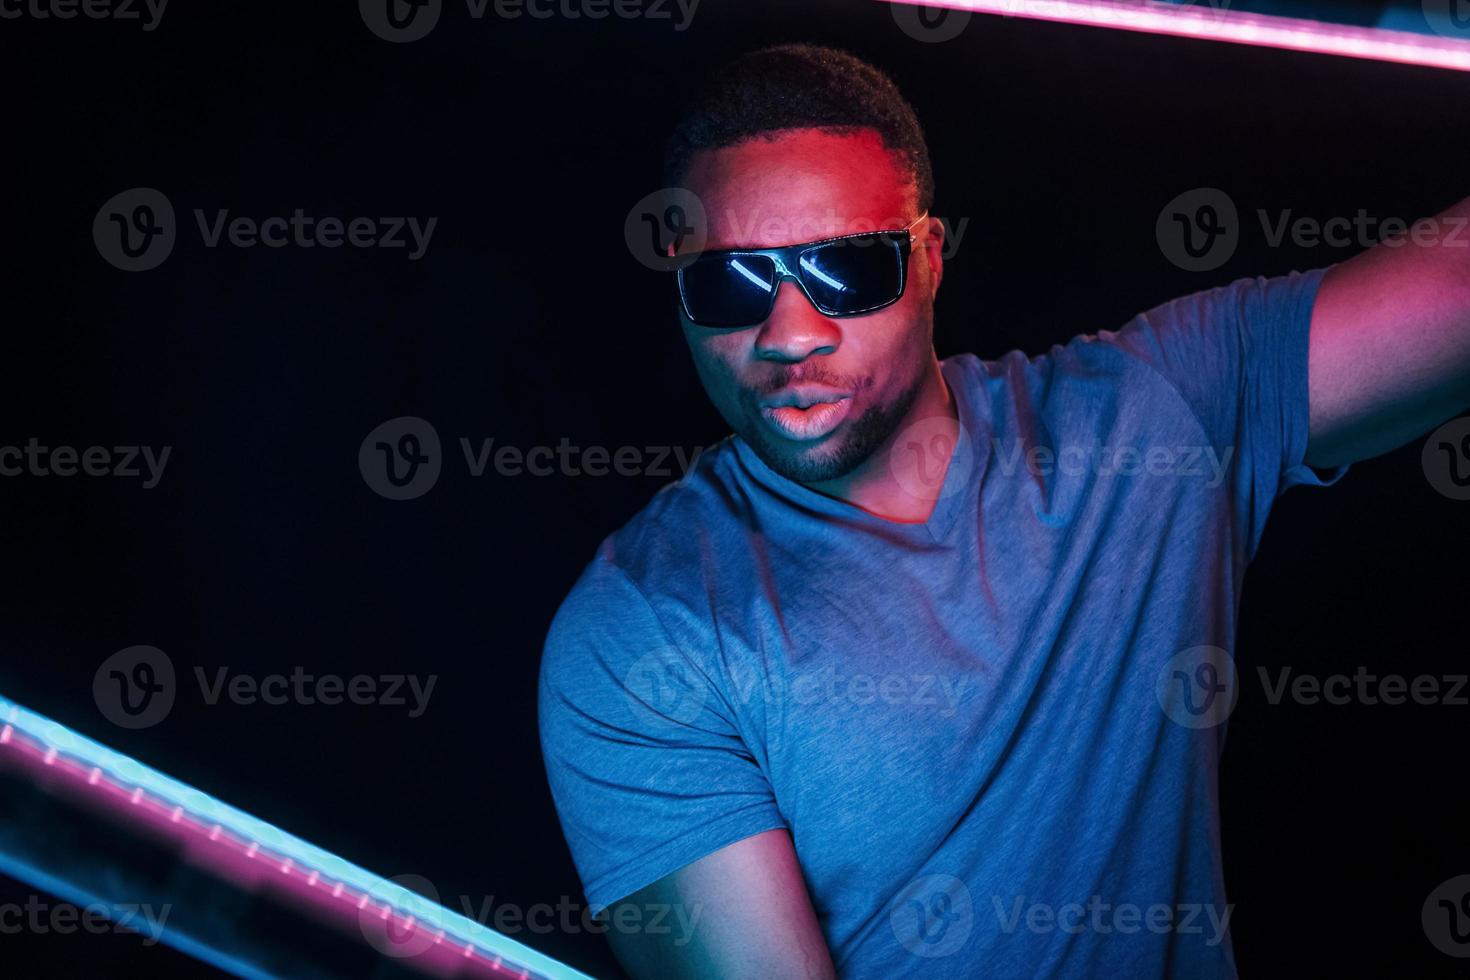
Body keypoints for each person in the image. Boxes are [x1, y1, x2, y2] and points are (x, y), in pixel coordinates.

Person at [537, 43, 1470, 978]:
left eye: (848, 269)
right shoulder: (640, 632)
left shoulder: (1153, 419)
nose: (789, 335)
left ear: (930, 259)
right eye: (730, 281)